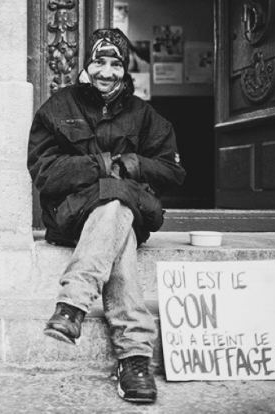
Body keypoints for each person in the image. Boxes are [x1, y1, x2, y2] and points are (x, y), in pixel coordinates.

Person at [27, 28, 186, 404]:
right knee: (118, 219)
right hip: (72, 214)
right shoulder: (58, 107)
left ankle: (72, 306)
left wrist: (132, 163)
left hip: (126, 211)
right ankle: (134, 359)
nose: (107, 71)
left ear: (125, 69)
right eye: (99, 61)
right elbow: (43, 171)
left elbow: (174, 171)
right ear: (86, 64)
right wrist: (99, 165)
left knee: (116, 207)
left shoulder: (145, 116)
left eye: (116, 64)